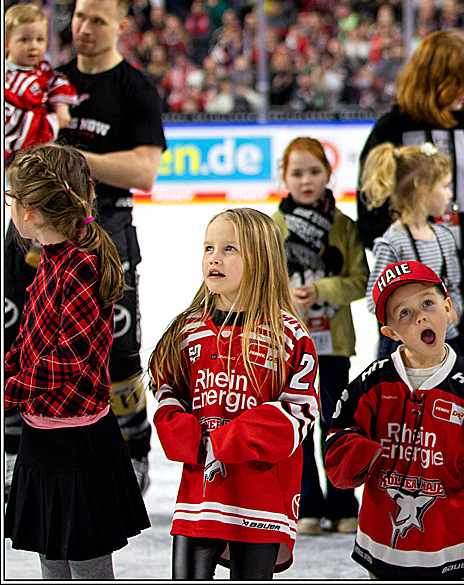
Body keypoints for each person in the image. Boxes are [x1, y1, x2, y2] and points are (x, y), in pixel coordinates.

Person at [4, 0, 166, 497]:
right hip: (33, 229)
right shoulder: (48, 80)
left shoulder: (133, 87)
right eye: (78, 16)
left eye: (98, 19)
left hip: (105, 227)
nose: (84, 28)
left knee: (117, 351)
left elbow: (143, 172)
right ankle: (18, 454)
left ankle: (132, 453)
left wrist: (66, 157)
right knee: (19, 337)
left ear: (120, 26)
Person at [323, 261, 464, 579]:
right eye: (404, 313)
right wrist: (358, 454)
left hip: (449, 537)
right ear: (391, 332)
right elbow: (338, 437)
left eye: (427, 303)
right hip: (383, 535)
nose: (421, 316)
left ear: (448, 308)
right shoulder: (373, 382)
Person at [148, 208, 320, 578]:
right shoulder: (185, 330)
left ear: (261, 259)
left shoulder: (288, 335)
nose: (214, 257)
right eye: (209, 247)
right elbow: (167, 391)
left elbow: (301, 410)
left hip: (260, 498)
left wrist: (231, 438)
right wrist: (187, 437)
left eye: (229, 249)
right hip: (199, 497)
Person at [4, 144, 150, 579]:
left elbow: (69, 358)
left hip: (79, 444)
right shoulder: (49, 261)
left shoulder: (81, 265)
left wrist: (10, 389)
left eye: (13, 200)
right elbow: (30, 341)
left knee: (86, 563)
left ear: (31, 211)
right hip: (42, 436)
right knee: (52, 559)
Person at [356, 30, 464, 372]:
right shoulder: (391, 129)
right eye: (460, 82)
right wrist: (409, 261)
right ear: (434, 79)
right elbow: (370, 210)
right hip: (406, 292)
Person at [272, 137, 368, 536]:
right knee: (297, 426)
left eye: (314, 172)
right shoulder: (272, 229)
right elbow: (262, 280)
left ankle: (343, 502)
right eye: (297, 173)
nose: (306, 181)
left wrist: (322, 290)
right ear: (284, 177)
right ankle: (306, 503)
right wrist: (287, 295)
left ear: (328, 174)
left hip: (333, 346)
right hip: (288, 345)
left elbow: (360, 281)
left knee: (334, 422)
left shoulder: (344, 227)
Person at [359, 141, 464, 359]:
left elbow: (454, 287)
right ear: (422, 188)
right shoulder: (393, 242)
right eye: (445, 186)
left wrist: (452, 313)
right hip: (403, 349)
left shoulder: (444, 237)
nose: (449, 195)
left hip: (445, 342)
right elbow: (374, 299)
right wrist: (407, 316)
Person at [4, 4, 80, 165]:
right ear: (6, 43)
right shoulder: (8, 80)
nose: (33, 46)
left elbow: (58, 81)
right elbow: (12, 124)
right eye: (24, 39)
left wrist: (61, 106)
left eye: (40, 39)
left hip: (39, 149)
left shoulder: (42, 67)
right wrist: (51, 123)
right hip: (14, 157)